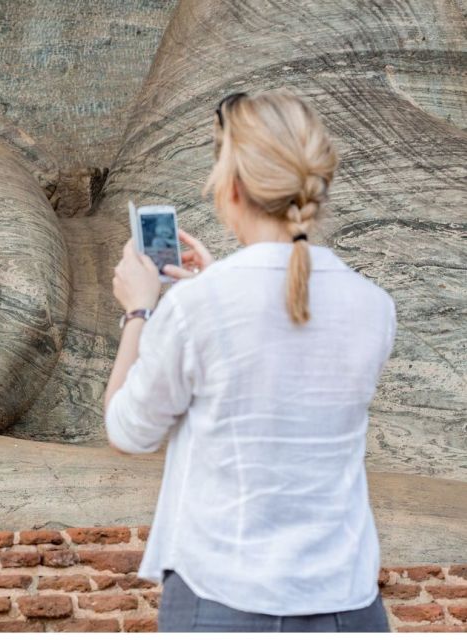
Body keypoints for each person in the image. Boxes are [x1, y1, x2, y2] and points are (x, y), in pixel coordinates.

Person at [103, 89, 396, 632]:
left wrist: (140, 310)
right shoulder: (376, 308)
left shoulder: (196, 308)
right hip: (348, 605)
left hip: (224, 601)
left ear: (230, 186)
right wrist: (215, 287)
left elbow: (128, 430)